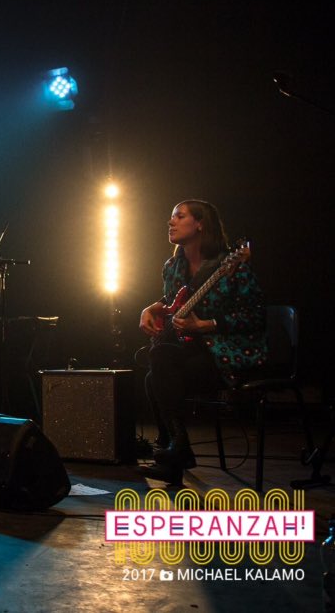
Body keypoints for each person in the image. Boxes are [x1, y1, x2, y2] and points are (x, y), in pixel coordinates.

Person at [137, 199, 266, 484]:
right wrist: (151, 308)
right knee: (156, 370)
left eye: (179, 216)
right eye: (171, 217)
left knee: (156, 372)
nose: (170, 222)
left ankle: (176, 451)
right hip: (189, 353)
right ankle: (178, 450)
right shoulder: (172, 266)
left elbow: (257, 316)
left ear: (200, 224)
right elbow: (172, 303)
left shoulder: (229, 265)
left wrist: (206, 324)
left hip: (225, 353)